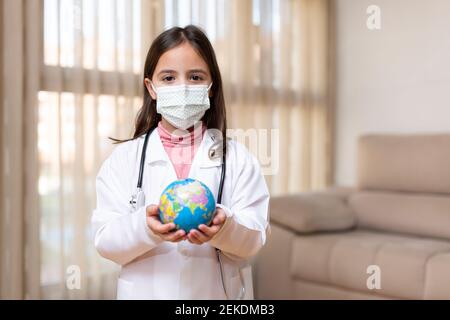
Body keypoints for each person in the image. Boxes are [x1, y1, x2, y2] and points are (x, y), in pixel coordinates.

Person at [91, 25, 270, 300]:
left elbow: (255, 238)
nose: (183, 87)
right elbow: (105, 240)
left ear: (211, 88)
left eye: (196, 77)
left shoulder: (237, 159)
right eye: (169, 78)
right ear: (151, 88)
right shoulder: (124, 161)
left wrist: (225, 229)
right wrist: (145, 228)